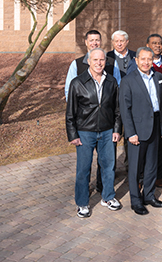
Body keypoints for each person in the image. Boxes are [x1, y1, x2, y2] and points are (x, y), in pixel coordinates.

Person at [65, 48, 122, 218]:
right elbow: (70, 113)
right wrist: (73, 134)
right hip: (84, 132)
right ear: (89, 61)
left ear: (105, 61)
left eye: (102, 60)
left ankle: (108, 196)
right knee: (83, 169)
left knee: (108, 166)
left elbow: (117, 110)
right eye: (95, 59)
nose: (99, 63)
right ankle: (82, 203)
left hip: (107, 131)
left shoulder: (111, 82)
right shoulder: (77, 83)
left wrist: (117, 130)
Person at [119, 47, 162, 215]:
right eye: (143, 59)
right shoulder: (128, 80)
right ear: (136, 60)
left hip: (155, 126)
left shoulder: (158, 77)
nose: (146, 62)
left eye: (149, 59)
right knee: (135, 167)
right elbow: (125, 109)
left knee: (151, 165)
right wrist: (130, 133)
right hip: (137, 129)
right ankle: (136, 200)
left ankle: (149, 195)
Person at [64, 30, 121, 101]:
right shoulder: (76, 64)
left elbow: (118, 87)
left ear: (101, 42)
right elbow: (69, 89)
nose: (94, 43)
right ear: (86, 42)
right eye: (91, 40)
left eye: (97, 40)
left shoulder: (112, 63)